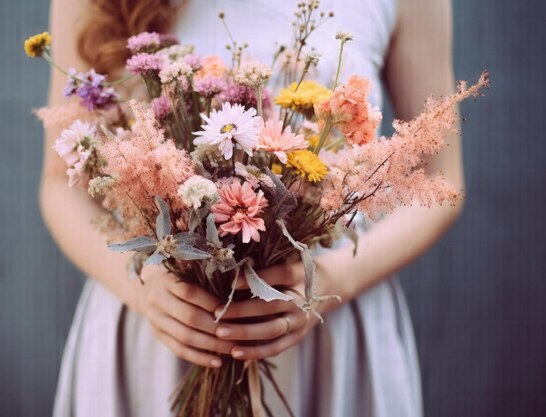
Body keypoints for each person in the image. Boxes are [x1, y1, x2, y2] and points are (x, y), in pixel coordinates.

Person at [41, 0, 461, 415]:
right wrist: (142, 288)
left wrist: (329, 283)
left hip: (326, 320)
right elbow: (61, 184)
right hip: (161, 320)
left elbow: (444, 184)